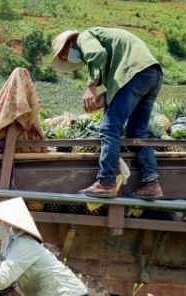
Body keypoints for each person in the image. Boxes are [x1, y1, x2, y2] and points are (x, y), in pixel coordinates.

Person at [51, 27, 164, 200]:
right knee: (138, 133)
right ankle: (151, 184)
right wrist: (104, 97)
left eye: (64, 54)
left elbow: (97, 54)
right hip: (151, 74)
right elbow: (120, 83)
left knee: (109, 128)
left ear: (70, 43)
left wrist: (91, 88)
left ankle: (106, 182)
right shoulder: (105, 41)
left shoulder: (84, 37)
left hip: (135, 73)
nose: (66, 58)